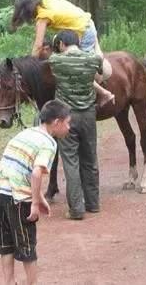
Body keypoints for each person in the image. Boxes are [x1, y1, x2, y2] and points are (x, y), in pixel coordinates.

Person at [0, 99, 71, 285]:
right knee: (27, 246)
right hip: (17, 198)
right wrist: (33, 203)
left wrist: (40, 198)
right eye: (67, 123)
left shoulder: (26, 133)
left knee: (5, 245)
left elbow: (22, 168)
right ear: (56, 122)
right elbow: (36, 171)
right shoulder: (49, 143)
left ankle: (9, 282)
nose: (69, 128)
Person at [11, 0, 114, 108]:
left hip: (82, 31)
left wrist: (29, 67)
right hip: (84, 24)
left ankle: (104, 94)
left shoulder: (42, 17)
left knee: (75, 67)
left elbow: (38, 46)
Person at [48, 30, 102, 220]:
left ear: (62, 43)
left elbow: (43, 52)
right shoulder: (93, 59)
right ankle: (93, 203)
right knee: (90, 158)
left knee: (71, 161)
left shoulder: (56, 60)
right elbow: (103, 72)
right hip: (88, 113)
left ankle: (77, 209)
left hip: (66, 116)